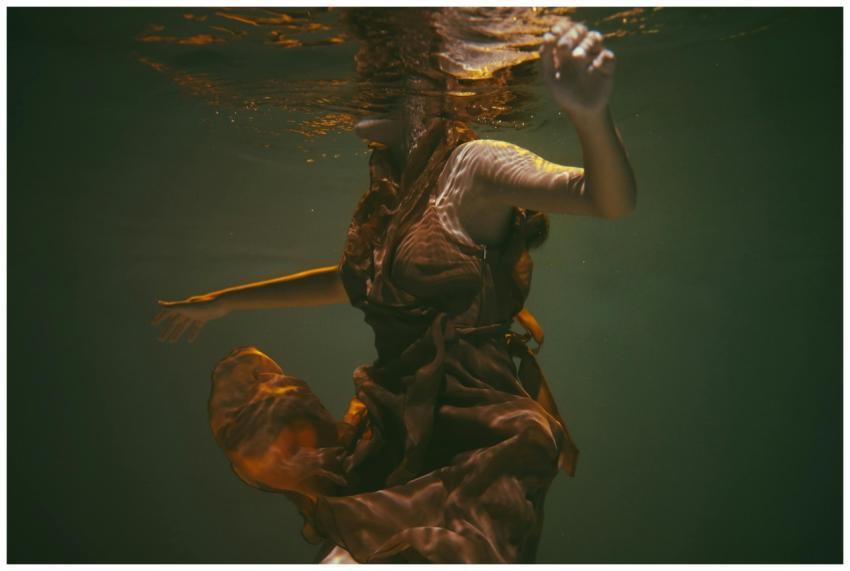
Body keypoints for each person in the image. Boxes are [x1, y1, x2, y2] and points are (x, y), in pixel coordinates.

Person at [154, 19, 636, 564]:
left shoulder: (475, 166)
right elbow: (354, 282)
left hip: (472, 438)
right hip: (393, 428)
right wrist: (225, 301)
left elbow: (606, 199)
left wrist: (590, 114)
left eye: (377, 61)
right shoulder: (390, 191)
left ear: (430, 81)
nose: (362, 70)